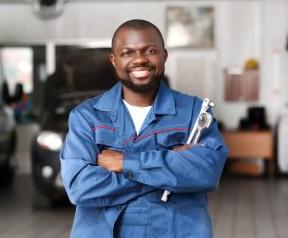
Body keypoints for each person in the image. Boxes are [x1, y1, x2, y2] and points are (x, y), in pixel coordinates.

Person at [60, 19, 228, 238]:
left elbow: (206, 171)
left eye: (149, 50)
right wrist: (169, 168)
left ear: (164, 55)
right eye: (127, 53)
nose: (139, 59)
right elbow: (80, 188)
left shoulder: (194, 112)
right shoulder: (87, 116)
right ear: (114, 60)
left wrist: (124, 162)